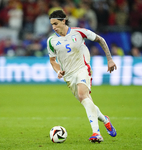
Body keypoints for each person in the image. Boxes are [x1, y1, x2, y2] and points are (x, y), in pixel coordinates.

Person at [47, 10, 117, 143]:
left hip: (83, 68)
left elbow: (100, 40)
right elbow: (52, 61)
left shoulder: (79, 32)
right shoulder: (51, 41)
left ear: (63, 21)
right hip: (69, 76)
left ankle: (96, 133)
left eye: (55, 23)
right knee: (86, 101)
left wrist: (110, 59)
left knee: (83, 95)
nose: (53, 27)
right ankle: (105, 120)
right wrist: (58, 71)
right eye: (52, 25)